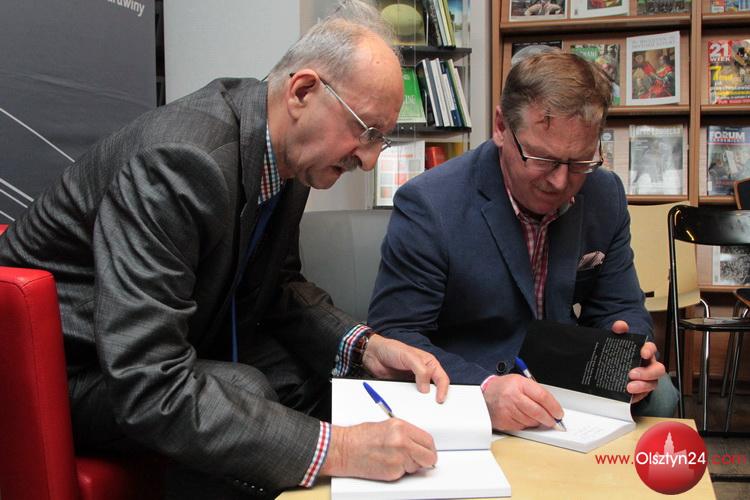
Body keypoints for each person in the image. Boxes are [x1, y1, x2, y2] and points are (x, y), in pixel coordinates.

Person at [0, 1, 450, 498]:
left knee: (310, 375)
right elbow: (147, 381)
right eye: (366, 131)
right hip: (61, 374)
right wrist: (340, 449)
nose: (368, 159)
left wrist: (366, 347)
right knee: (244, 390)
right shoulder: (180, 161)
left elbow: (277, 286)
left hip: (155, 344)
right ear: (303, 91)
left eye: (381, 140)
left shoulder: (288, 158)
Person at [368, 51, 679, 435]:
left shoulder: (604, 193)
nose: (561, 182)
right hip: (470, 374)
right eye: (543, 159)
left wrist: (634, 355)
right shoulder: (431, 203)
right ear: (501, 127)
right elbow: (396, 335)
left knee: (660, 395)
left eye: (580, 162)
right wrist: (483, 388)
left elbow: (621, 306)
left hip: (565, 371)